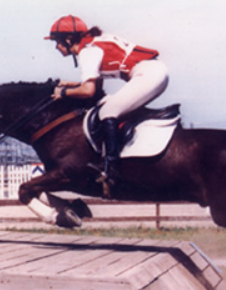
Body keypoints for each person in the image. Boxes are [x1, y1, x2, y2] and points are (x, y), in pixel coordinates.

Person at [45, 15, 169, 190]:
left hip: (149, 75)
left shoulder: (87, 52)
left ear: (68, 39)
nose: (56, 47)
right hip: (154, 72)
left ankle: (112, 168)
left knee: (107, 111)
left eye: (56, 42)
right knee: (109, 106)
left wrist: (63, 93)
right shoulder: (93, 44)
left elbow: (89, 91)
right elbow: (94, 87)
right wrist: (73, 85)